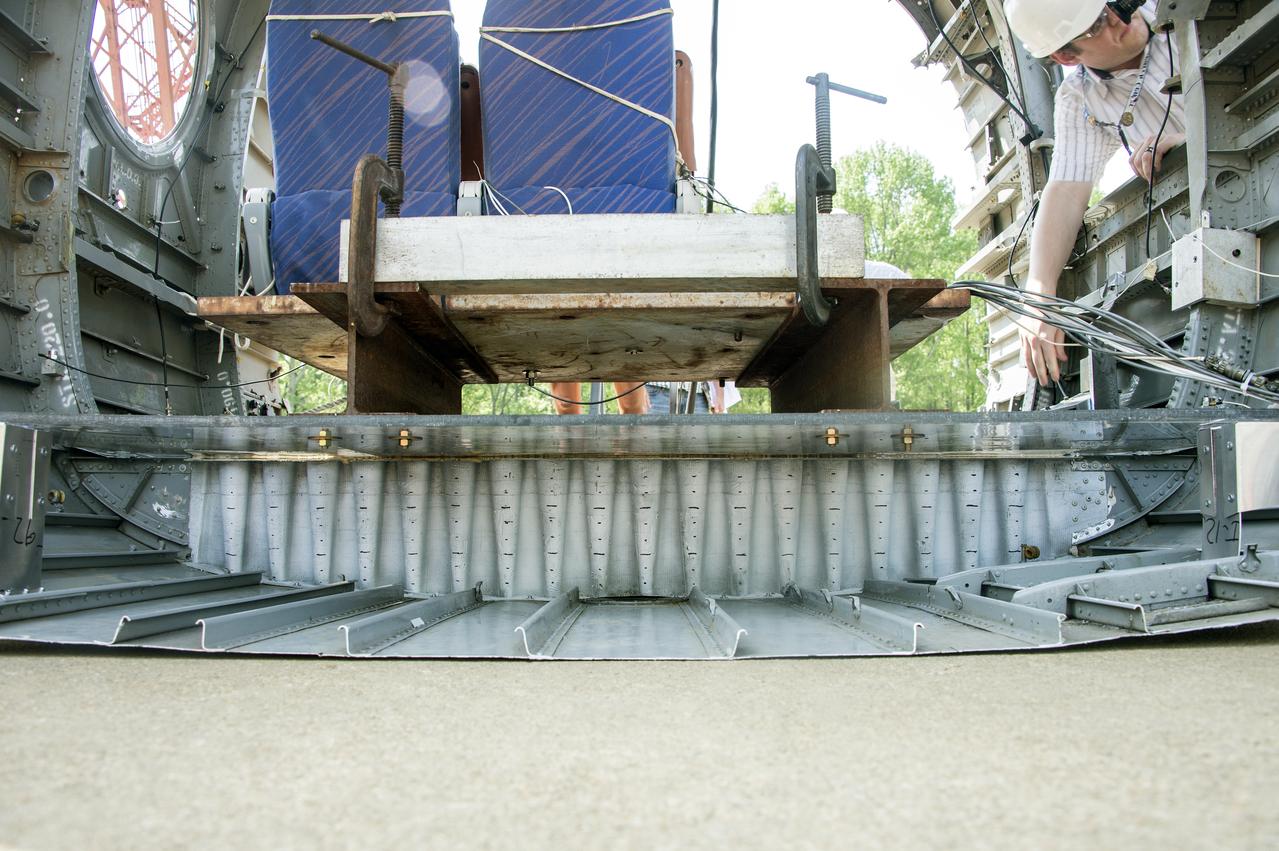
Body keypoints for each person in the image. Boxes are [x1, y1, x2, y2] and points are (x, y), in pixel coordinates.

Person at [1005, 0, 1185, 385]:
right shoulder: (1081, 99)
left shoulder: (1187, 13)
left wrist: (1190, 139)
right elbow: (1066, 191)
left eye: (1112, 3)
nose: (1120, 18)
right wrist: (1039, 294)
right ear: (1065, 56)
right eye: (1098, 23)